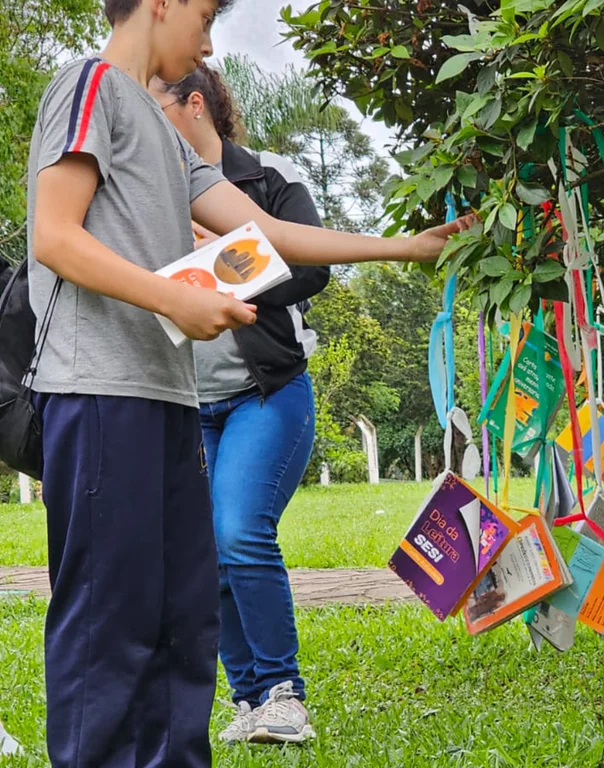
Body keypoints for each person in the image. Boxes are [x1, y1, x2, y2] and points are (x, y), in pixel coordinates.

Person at [26, 0, 472, 764]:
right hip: (100, 393)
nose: (206, 40)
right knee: (112, 622)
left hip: (167, 397)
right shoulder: (90, 84)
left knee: (182, 617)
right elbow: (53, 234)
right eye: (202, 14)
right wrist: (177, 298)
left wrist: (407, 247)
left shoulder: (164, 134)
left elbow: (266, 234)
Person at [150, 64, 325, 744]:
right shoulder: (152, 192)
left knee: (241, 533)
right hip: (188, 402)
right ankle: (251, 700)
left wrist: (224, 259)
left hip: (267, 393)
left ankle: (285, 690)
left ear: (194, 105)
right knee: (206, 550)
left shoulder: (265, 179)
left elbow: (314, 267)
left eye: (155, 104)